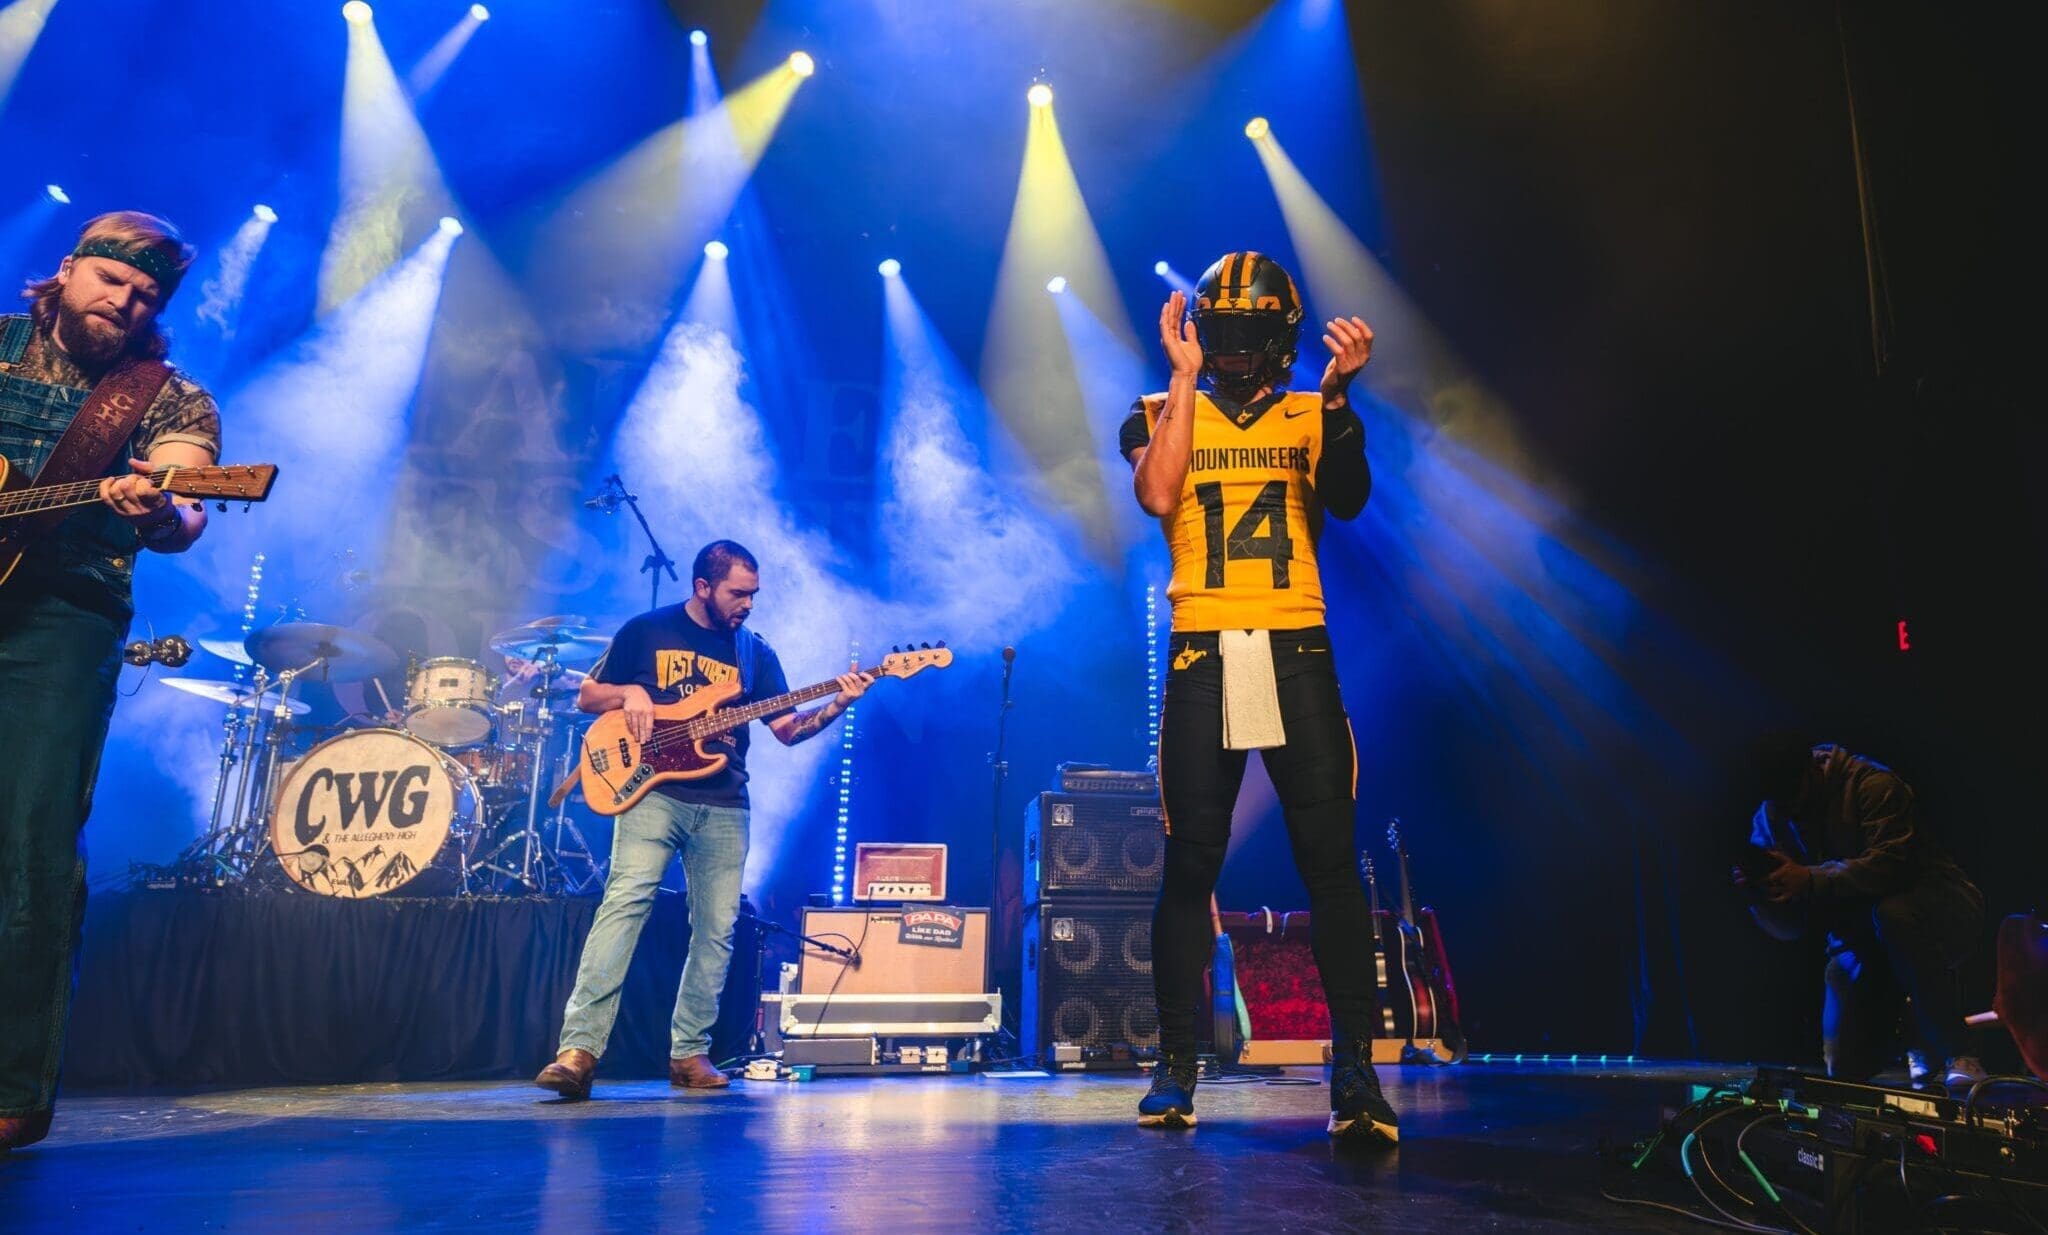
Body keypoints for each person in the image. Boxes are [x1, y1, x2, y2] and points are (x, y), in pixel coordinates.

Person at [1120, 251, 1394, 1143]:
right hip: (1205, 644)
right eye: (1219, 331)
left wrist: (1343, 398)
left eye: (1245, 333)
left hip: (1294, 644)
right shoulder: (1161, 408)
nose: (1233, 348)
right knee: (1190, 864)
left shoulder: (1314, 412)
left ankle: (1353, 1070)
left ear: (1279, 335)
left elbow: (1347, 501)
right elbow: (1158, 491)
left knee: (1330, 862)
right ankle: (1177, 1063)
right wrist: (1185, 377)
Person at [1, 213, 219, 1153]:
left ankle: (12, 1085)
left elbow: (188, 501)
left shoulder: (168, 399)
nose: (124, 302)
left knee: (33, 844)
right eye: (111, 281)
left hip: (62, 619)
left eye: (144, 296)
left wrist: (161, 503)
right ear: (67, 270)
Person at [534, 540, 872, 1099]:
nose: (747, 605)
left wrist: (838, 704)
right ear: (702, 587)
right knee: (625, 905)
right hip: (650, 793)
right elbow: (589, 696)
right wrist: (633, 693)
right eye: (738, 593)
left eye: (754, 595)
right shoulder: (647, 630)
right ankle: (579, 1051)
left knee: (716, 931)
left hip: (723, 802)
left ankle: (689, 1053)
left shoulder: (754, 653)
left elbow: (787, 730)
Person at [1738, 736, 1986, 1087]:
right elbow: (1789, 929)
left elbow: (1890, 868)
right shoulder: (1771, 817)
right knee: (1843, 1068)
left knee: (1893, 915)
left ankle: (1958, 1050)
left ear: (1811, 770)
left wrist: (1809, 878)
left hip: (1939, 910)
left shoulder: (1872, 785)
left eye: (1795, 796)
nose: (1791, 809)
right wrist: (1762, 895)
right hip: (1862, 939)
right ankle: (1911, 1031)